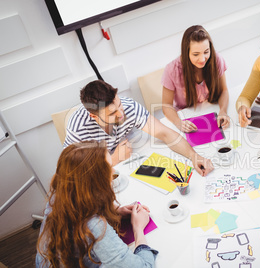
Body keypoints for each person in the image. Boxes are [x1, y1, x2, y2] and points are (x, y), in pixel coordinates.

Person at [36, 141, 158, 267]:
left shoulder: (61, 193)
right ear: (95, 181)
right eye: (109, 167)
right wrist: (138, 228)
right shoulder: (95, 227)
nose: (113, 171)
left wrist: (116, 211)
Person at [64, 80, 213, 176]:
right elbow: (73, 172)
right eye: (112, 113)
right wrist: (113, 159)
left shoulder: (129, 107)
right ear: (94, 117)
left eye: (119, 105)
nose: (121, 114)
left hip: (129, 167)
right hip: (102, 178)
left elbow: (165, 133)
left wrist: (195, 157)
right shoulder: (77, 128)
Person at [162, 25, 230, 133]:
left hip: (213, 112)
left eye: (206, 52)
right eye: (195, 54)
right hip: (187, 119)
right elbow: (166, 105)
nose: (202, 59)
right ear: (186, 53)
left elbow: (224, 91)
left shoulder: (217, 59)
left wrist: (223, 111)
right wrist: (178, 122)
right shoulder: (172, 70)